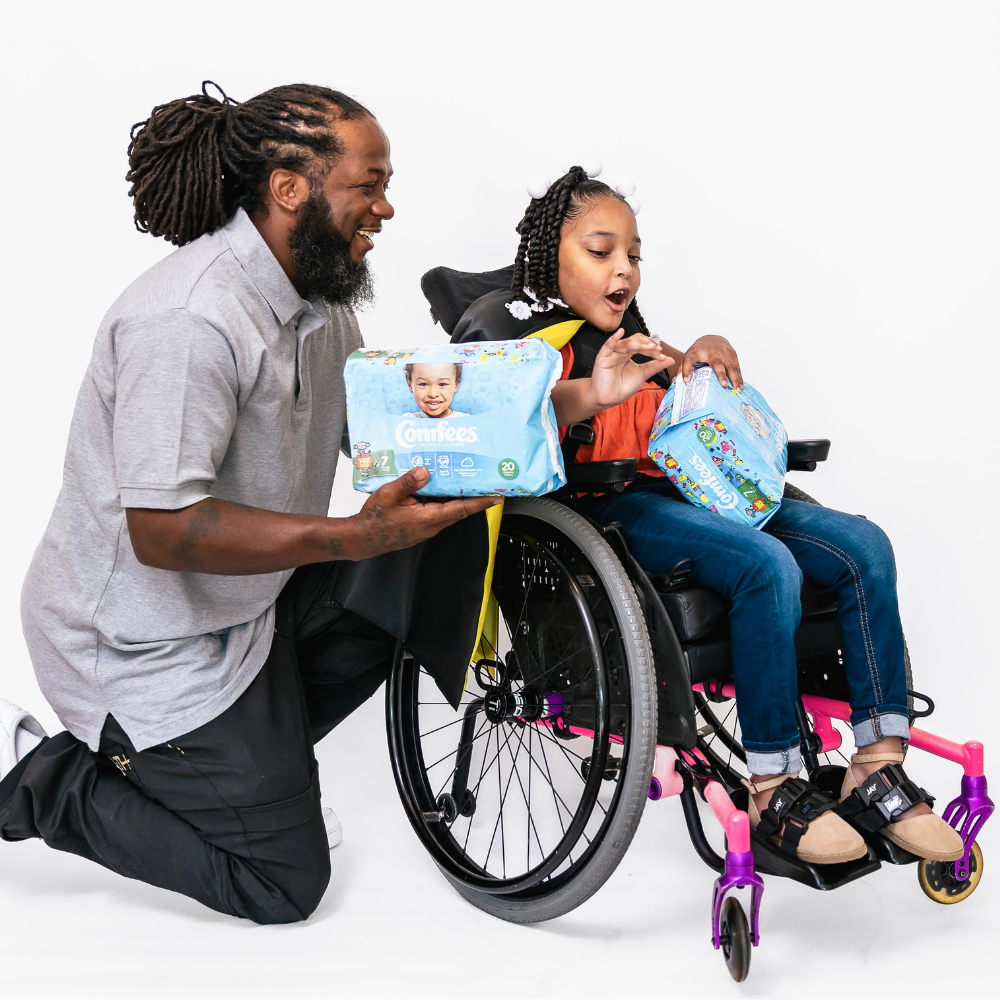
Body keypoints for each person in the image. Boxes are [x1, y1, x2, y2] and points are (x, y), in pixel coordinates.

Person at [0, 81, 508, 925]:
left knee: (424, 556)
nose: (386, 206)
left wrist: (560, 402)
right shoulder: (190, 320)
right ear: (288, 187)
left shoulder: (318, 296)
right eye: (368, 183)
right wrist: (349, 536)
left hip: (247, 612)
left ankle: (237, 780)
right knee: (284, 884)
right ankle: (35, 777)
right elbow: (164, 531)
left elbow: (395, 435)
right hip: (138, 646)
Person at [452, 166, 964, 866]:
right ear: (551, 259)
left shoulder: (638, 341)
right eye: (601, 251)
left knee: (863, 547)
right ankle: (774, 784)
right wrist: (592, 394)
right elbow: (502, 430)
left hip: (692, 492)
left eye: (633, 254)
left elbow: (684, 424)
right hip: (605, 511)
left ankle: (876, 763)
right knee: (766, 566)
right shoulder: (524, 347)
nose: (623, 268)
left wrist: (700, 359)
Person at [403, 362, 469, 418]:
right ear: (410, 385)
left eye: (442, 384)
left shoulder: (466, 421)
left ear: (456, 386)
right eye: (423, 384)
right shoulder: (406, 421)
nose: (433, 394)